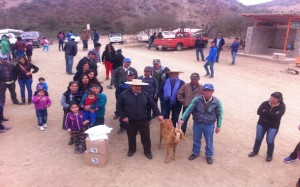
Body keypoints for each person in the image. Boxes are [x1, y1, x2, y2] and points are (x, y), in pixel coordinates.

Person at [117, 79, 164, 159]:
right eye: (135, 86)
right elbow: (119, 107)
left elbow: (153, 105)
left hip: (143, 120)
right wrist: (123, 116)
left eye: (139, 86)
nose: (137, 87)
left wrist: (159, 114)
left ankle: (147, 151)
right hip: (129, 120)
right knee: (131, 136)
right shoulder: (123, 94)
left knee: (146, 136)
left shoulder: (145, 94)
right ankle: (132, 149)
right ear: (131, 86)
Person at [178, 84, 223, 164]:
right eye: (205, 90)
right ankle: (195, 152)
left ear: (212, 92)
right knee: (196, 139)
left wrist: (218, 126)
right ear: (203, 91)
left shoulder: (217, 102)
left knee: (209, 140)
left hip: (209, 124)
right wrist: (182, 118)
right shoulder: (197, 100)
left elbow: (219, 114)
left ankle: (209, 155)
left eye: (209, 91)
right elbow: (189, 109)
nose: (206, 92)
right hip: (198, 123)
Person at [248, 92, 286, 162]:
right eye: (271, 97)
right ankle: (255, 151)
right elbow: (259, 112)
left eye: (274, 98)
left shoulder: (282, 107)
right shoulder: (265, 103)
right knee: (258, 138)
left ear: (279, 99)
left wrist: (265, 112)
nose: (272, 99)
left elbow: (277, 117)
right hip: (261, 124)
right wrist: (271, 114)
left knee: (270, 141)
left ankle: (269, 155)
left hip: (273, 126)